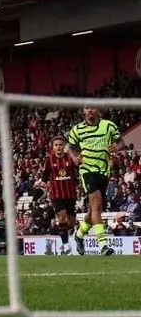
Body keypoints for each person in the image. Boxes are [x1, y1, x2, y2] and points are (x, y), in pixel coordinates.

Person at [66, 105, 122, 256]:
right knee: (97, 206)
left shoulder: (108, 126)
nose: (89, 111)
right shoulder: (77, 130)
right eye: (86, 108)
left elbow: (120, 141)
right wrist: (74, 157)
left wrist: (116, 146)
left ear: (98, 110)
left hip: (104, 171)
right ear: (83, 111)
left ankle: (78, 235)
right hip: (87, 171)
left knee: (93, 210)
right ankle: (103, 245)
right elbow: (70, 147)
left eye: (92, 108)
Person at [41, 136, 77, 255]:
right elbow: (45, 176)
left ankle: (72, 237)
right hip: (56, 194)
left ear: (64, 146)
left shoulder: (70, 158)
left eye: (60, 144)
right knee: (61, 217)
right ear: (52, 147)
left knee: (71, 222)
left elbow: (78, 168)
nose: (58, 147)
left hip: (70, 193)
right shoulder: (49, 160)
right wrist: (45, 183)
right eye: (56, 145)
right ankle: (66, 247)